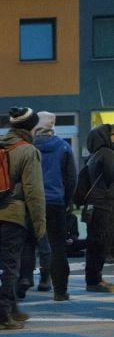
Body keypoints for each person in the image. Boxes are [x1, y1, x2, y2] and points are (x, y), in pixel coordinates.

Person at [0, 107, 45, 330]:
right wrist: (39, 223)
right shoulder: (28, 150)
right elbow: (34, 191)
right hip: (14, 214)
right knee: (11, 267)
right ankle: (0, 316)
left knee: (3, 263)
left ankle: (12, 309)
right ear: (31, 127)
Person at [33, 112, 76, 300]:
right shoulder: (64, 147)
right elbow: (71, 178)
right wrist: (66, 201)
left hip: (32, 202)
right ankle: (60, 290)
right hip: (56, 202)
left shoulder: (29, 147)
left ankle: (22, 283)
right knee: (58, 246)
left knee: (26, 244)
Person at [82, 124, 114, 293]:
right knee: (100, 244)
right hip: (103, 206)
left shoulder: (93, 156)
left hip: (93, 206)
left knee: (95, 244)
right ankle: (94, 281)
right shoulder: (107, 154)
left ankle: (95, 279)